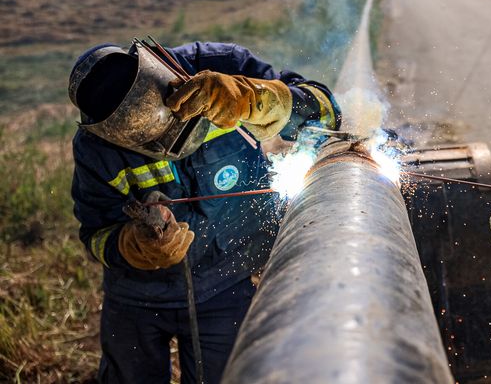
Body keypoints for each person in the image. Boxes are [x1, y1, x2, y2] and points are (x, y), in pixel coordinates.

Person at [69, 40, 340, 384]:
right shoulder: (96, 147)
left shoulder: (223, 66)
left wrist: (255, 98)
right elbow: (95, 232)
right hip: (136, 298)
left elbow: (328, 113)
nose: (167, 147)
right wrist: (133, 245)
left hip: (225, 283)